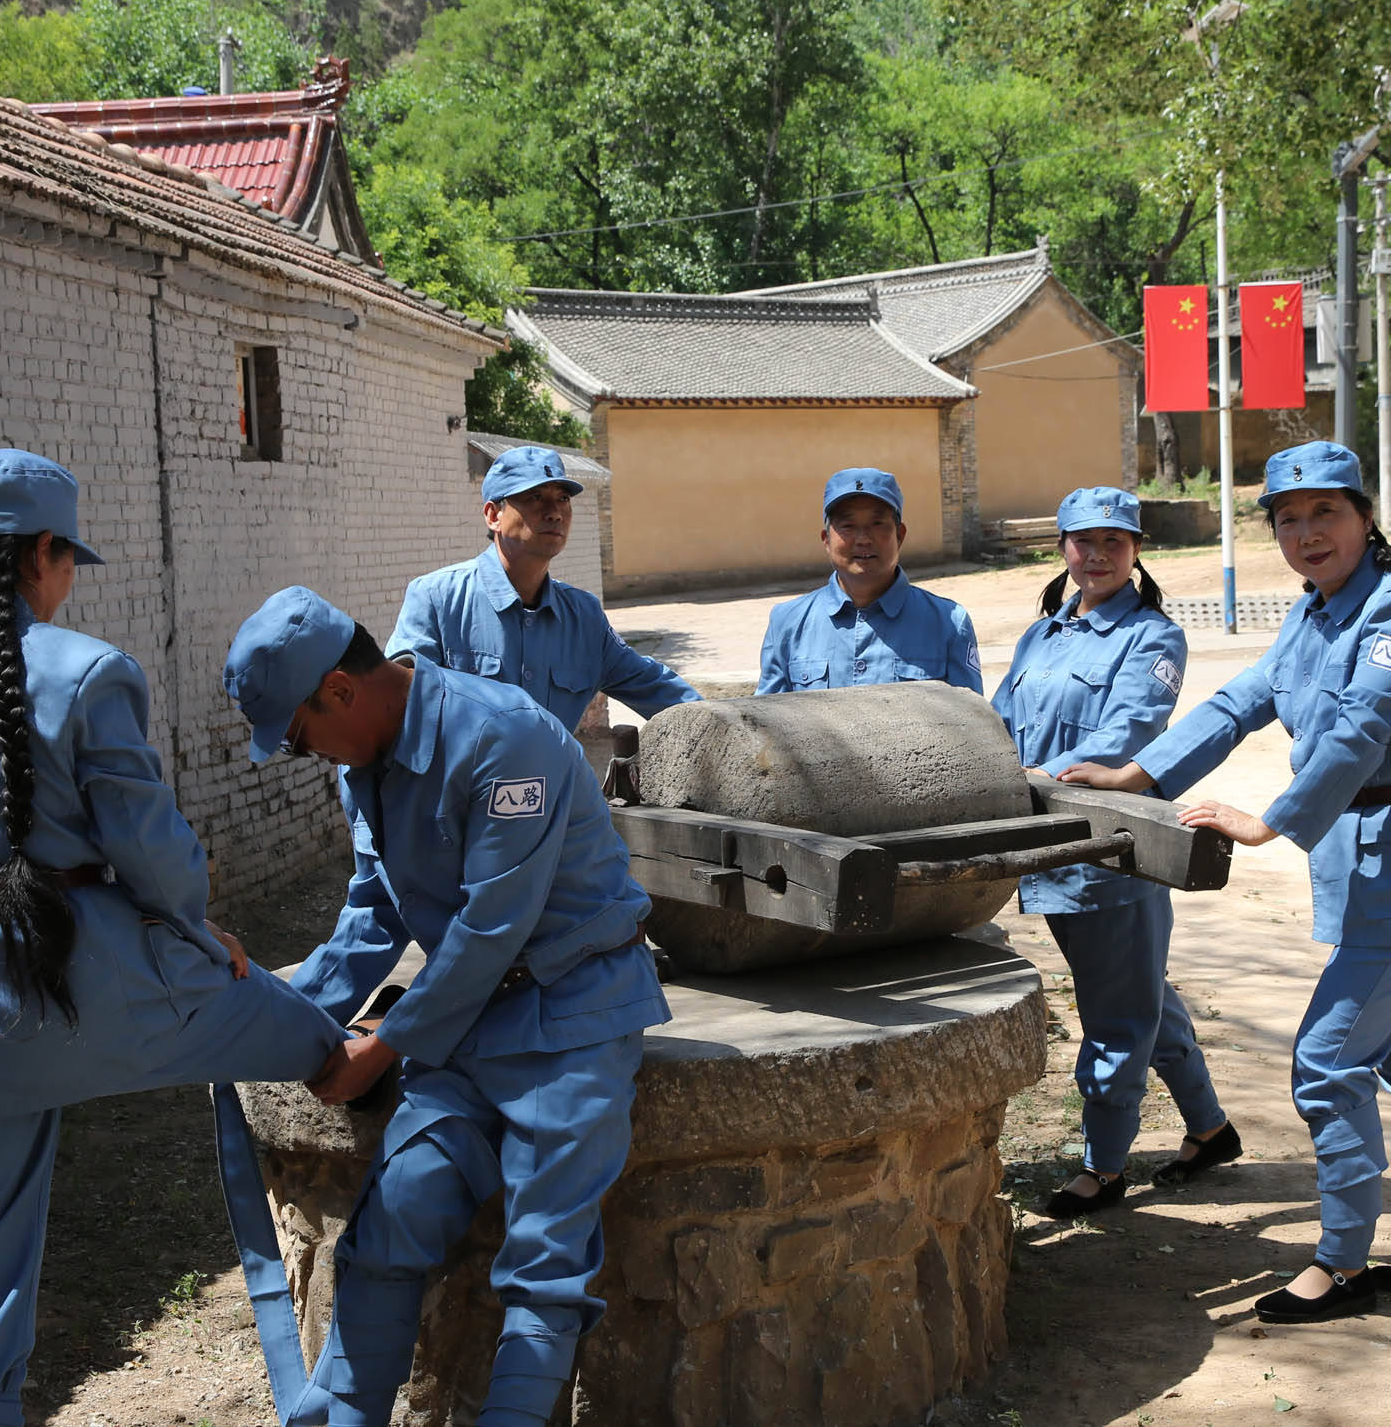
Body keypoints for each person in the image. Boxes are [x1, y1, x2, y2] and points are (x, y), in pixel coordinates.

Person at [0, 450, 344, 1427]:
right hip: (85, 983)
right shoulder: (86, 670)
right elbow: (158, 860)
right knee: (322, 1040)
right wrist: (199, 934)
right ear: (41, 554)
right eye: (69, 562)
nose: (69, 582)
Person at [1060, 441, 1391, 1324]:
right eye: (1288, 519)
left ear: (1365, 517)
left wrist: (1269, 822)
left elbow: (1359, 733)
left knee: (1328, 1065)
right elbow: (1238, 703)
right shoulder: (1315, 613)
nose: (1306, 533)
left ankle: (1343, 1267)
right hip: (1372, 857)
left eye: (1324, 513)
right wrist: (1138, 776)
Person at [223, 586, 668, 1427]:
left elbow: (490, 928)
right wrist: (274, 1018)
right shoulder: (369, 768)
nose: (302, 751)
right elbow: (373, 917)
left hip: (572, 1017)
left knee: (544, 1269)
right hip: (466, 1029)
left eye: (298, 732)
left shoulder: (504, 738)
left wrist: (380, 1049)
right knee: (390, 1231)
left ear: (341, 691)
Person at [991, 487, 1240, 1218]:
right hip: (1046, 847)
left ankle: (1103, 1168)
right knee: (1139, 993)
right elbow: (1001, 717)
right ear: (1061, 547)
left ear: (1136, 549)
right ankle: (1210, 1128)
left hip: (1108, 849)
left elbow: (1129, 730)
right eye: (1082, 541)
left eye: (1114, 542)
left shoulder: (1154, 636)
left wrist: (1041, 777)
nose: (1097, 556)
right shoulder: (1044, 635)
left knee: (1117, 1015)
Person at [389, 443, 699, 734]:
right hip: (463, 791)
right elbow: (392, 709)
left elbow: (654, 686)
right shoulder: (438, 599)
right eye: (535, 497)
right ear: (493, 515)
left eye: (563, 498)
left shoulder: (583, 616)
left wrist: (731, 721)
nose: (554, 512)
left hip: (553, 792)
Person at [758, 466, 984, 695]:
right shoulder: (787, 623)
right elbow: (765, 723)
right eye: (848, 526)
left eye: (877, 524)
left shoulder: (949, 623)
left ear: (900, 535)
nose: (864, 539)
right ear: (826, 540)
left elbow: (971, 723)